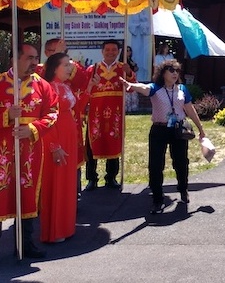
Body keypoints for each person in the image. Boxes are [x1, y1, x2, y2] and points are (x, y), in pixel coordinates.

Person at [122, 59, 206, 213]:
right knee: (155, 165)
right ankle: (157, 199)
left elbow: (190, 109)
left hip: (178, 129)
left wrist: (200, 128)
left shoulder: (182, 89)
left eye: (177, 71)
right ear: (163, 73)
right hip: (159, 130)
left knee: (181, 162)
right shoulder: (156, 88)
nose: (175, 73)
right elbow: (144, 88)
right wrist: (132, 85)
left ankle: (183, 189)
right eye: (171, 70)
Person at [0, 43, 59, 258]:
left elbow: (53, 113)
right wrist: (6, 117)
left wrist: (33, 128)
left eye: (36, 58)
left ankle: (25, 243)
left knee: (26, 193)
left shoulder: (43, 86)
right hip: (2, 151)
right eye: (29, 58)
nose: (35, 62)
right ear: (14, 59)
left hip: (30, 150)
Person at [40, 53, 91, 243]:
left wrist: (88, 91)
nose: (70, 68)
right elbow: (45, 119)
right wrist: (54, 145)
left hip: (69, 135)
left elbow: (76, 110)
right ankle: (54, 230)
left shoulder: (64, 86)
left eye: (70, 64)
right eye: (66, 65)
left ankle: (65, 227)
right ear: (54, 67)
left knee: (67, 182)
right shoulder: (49, 88)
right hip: (57, 137)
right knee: (57, 182)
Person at [85, 40, 136, 190]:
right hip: (96, 113)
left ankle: (111, 177)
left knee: (114, 141)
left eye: (114, 50)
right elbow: (85, 89)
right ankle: (91, 179)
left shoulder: (123, 68)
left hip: (116, 112)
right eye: (107, 49)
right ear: (102, 51)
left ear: (118, 52)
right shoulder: (93, 69)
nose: (110, 52)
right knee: (92, 145)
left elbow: (132, 88)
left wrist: (129, 73)